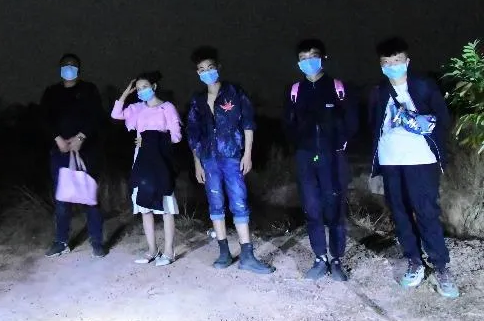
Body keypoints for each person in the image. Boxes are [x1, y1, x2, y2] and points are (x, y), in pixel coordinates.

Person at [369, 37, 459, 298]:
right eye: (387, 62)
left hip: (421, 160)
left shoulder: (423, 85)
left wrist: (423, 121)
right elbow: (372, 125)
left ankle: (441, 266)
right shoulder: (378, 91)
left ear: (407, 62)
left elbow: (443, 118)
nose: (392, 66)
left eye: (397, 61)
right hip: (390, 161)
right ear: (381, 66)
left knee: (427, 212)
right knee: (400, 214)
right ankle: (414, 261)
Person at [186, 46, 274, 274]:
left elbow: (248, 123)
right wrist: (197, 163)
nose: (207, 72)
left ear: (218, 67)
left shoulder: (234, 92)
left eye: (210, 67)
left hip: (232, 155)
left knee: (239, 202)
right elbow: (194, 135)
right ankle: (224, 252)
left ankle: (247, 256)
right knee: (215, 203)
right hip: (209, 159)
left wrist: (247, 154)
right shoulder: (197, 100)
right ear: (197, 73)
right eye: (201, 69)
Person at [283, 39, 358, 281]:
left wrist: (340, 143)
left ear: (323, 58)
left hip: (333, 157)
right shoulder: (295, 91)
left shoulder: (338, 87)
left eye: (313, 56)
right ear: (298, 62)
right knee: (312, 208)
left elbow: (351, 121)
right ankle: (319, 258)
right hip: (305, 158)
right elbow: (288, 124)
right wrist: (300, 144)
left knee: (335, 209)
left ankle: (336, 259)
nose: (308, 62)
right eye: (303, 58)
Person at [111, 71, 182, 266]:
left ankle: (169, 251)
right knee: (144, 206)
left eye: (145, 87)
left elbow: (176, 136)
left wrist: (152, 140)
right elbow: (116, 114)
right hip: (141, 159)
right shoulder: (137, 108)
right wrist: (126, 93)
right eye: (139, 88)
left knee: (166, 206)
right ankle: (152, 250)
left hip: (160, 159)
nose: (142, 91)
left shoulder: (166, 107)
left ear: (154, 86)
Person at [41, 53, 107, 258]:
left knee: (89, 195)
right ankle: (61, 241)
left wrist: (81, 137)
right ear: (60, 69)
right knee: (62, 198)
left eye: (73, 65)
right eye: (65, 65)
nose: (69, 68)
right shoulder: (51, 92)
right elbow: (44, 118)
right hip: (60, 151)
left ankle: (97, 241)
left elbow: (97, 115)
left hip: (86, 151)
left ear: (79, 69)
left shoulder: (89, 90)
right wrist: (57, 139)